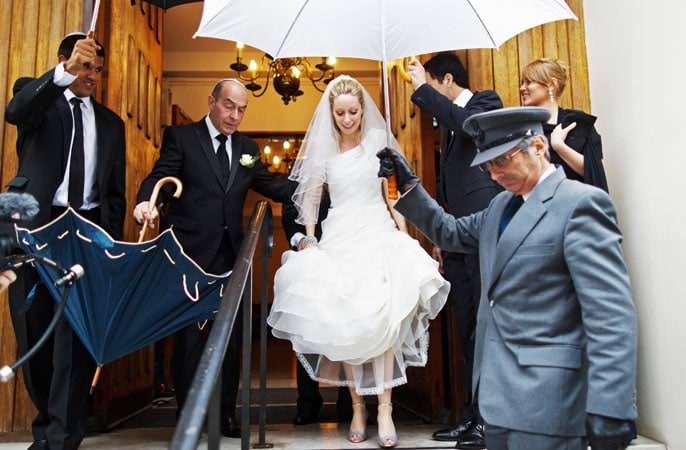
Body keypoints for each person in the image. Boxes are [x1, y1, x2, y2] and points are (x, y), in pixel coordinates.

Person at [377, 106, 637, 450]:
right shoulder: (499, 207)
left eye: (502, 160)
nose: (494, 173)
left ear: (539, 148)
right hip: (497, 404)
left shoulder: (581, 205)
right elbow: (450, 232)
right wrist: (409, 185)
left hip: (551, 404)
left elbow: (611, 316)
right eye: (487, 165)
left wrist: (611, 407)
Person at [267, 75, 449, 449]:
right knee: (346, 321)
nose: (347, 119)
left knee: (381, 316)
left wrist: (403, 231)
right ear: (331, 114)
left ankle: (384, 408)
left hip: (375, 230)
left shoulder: (378, 144)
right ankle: (357, 407)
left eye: (353, 111)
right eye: (340, 113)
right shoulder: (324, 152)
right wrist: (311, 238)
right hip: (339, 235)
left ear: (363, 110)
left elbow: (392, 193)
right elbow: (311, 200)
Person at [133, 78, 295, 438]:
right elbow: (161, 176)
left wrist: (315, 184)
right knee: (190, 340)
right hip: (189, 256)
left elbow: (270, 184)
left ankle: (224, 416)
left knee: (231, 340)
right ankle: (189, 416)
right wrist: (147, 202)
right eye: (228, 106)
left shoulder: (248, 147)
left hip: (230, 259)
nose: (234, 115)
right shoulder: (182, 138)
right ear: (212, 101)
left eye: (241, 110)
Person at [4, 32, 126, 450]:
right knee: (35, 335)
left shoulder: (112, 124)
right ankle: (48, 427)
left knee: (75, 341)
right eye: (85, 66)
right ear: (66, 60)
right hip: (36, 232)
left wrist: (112, 246)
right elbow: (15, 111)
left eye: (97, 69)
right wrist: (64, 72)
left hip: (87, 235)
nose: (92, 75)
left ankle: (62, 437)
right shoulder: (37, 97)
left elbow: (114, 194)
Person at [407, 52, 502, 448]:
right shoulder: (445, 125)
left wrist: (420, 90)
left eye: (432, 84)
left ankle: (490, 420)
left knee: (485, 327)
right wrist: (443, 241)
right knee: (465, 326)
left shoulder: (485, 103)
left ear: (446, 80)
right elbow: (447, 188)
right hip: (458, 240)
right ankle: (471, 415)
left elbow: (469, 127)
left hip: (484, 231)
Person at [280, 197, 353, 425]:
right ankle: (308, 403)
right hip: (312, 258)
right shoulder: (306, 163)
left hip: (347, 256)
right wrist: (300, 239)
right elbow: (290, 203)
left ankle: (349, 404)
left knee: (349, 331)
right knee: (307, 330)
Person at [520, 58, 608, 191]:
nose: (522, 88)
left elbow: (593, 171)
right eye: (521, 83)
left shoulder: (577, 123)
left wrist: (559, 147)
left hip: (577, 205)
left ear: (551, 84)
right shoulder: (521, 128)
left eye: (529, 82)